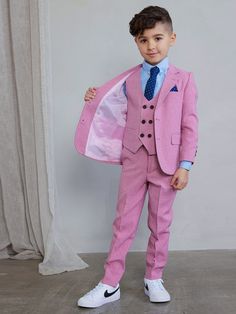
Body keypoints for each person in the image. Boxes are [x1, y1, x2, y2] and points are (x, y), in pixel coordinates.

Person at [75, 5, 198, 308]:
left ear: (172, 38)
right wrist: (93, 97)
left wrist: (185, 165)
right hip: (134, 159)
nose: (151, 45)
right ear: (136, 43)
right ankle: (109, 284)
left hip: (166, 163)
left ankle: (153, 278)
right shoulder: (128, 79)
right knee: (124, 223)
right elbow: (109, 104)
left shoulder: (183, 80)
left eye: (157, 38)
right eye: (144, 40)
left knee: (160, 223)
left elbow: (189, 125)